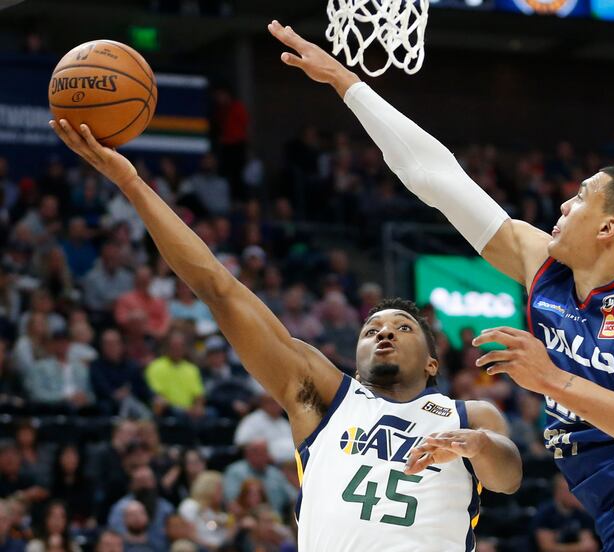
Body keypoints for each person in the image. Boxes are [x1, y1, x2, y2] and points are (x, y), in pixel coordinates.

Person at [264, 20, 614, 551]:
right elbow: (436, 178)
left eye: (582, 197)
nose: (565, 204)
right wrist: (346, 83)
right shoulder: (545, 268)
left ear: (608, 229)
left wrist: (553, 380)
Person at [49, 113, 522, 551]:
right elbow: (218, 288)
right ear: (356, 356)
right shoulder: (324, 396)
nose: (384, 334)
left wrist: (479, 445)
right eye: (371, 329)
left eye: (403, 328)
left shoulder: (468, 415)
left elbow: (508, 477)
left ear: (433, 362)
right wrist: (131, 184)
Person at [532, 475, 598, 552]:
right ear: (558, 492)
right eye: (570, 491)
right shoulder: (544, 514)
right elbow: (547, 548)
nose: (575, 495)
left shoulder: (580, 513)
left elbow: (590, 546)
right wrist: (579, 547)